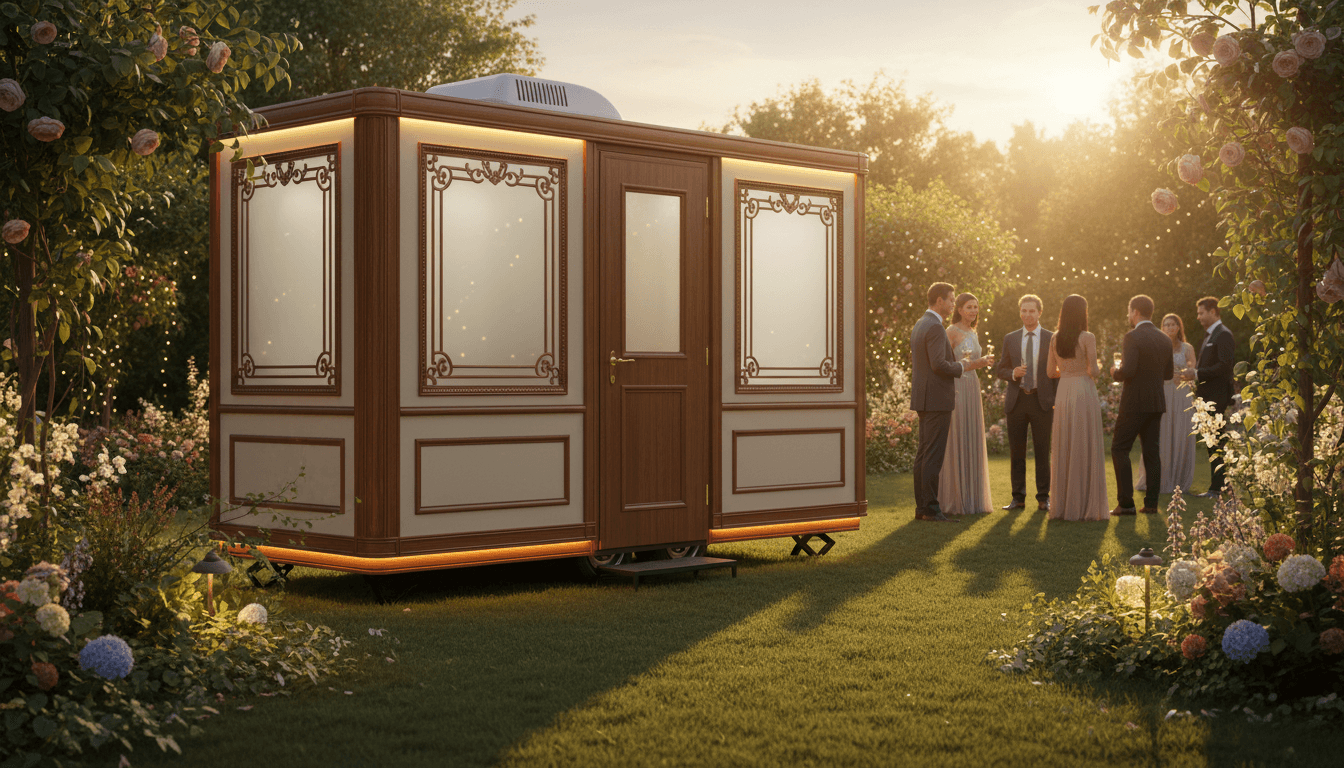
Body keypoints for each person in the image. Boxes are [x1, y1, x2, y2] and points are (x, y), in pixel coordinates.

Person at [911, 283, 993, 523]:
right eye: (950, 300)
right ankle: (931, 509)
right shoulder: (936, 327)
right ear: (939, 301)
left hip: (924, 397)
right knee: (932, 457)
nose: (951, 304)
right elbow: (938, 364)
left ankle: (922, 508)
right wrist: (965, 366)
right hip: (937, 398)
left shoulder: (920, 324)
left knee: (924, 455)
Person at [1045, 295, 1109, 521]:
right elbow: (1095, 371)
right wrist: (1091, 366)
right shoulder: (1087, 337)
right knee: (1084, 441)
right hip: (1083, 389)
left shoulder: (1054, 338)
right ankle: (1084, 503)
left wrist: (1067, 371)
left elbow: (1051, 372)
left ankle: (1063, 505)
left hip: (1064, 391)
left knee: (1065, 443)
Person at [1109, 295, 1174, 516]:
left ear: (1135, 312)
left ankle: (1126, 504)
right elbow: (1169, 374)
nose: (1129, 316)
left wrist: (1114, 373)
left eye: (1129, 311)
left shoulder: (1132, 336)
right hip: (1156, 402)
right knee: (1151, 453)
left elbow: (1128, 371)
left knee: (1119, 448)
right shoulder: (1165, 339)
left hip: (1134, 402)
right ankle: (1152, 504)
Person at [994, 295, 1056, 512]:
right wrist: (1013, 373)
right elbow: (1000, 368)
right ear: (1020, 312)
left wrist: (1055, 399)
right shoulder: (1010, 338)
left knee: (1042, 451)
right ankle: (1017, 498)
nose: (1027, 314)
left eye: (1032, 311)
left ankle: (1043, 498)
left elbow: (1057, 372)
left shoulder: (1051, 338)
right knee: (1016, 453)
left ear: (1040, 312)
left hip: (1042, 401)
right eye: (1024, 310)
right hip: (1017, 401)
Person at [938, 293, 995, 514]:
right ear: (959, 310)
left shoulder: (973, 331)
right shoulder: (951, 332)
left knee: (971, 436)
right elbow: (947, 364)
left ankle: (973, 497)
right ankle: (954, 498)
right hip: (958, 387)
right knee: (958, 435)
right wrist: (973, 364)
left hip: (973, 388)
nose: (973, 311)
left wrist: (980, 364)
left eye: (976, 307)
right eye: (969, 307)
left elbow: (971, 362)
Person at [1137, 313, 1198, 495]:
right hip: (1163, 392)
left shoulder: (1187, 348)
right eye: (1166, 325)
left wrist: (1187, 372)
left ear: (1179, 327)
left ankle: (1178, 479)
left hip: (1182, 395)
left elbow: (1192, 367)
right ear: (1161, 328)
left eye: (1173, 325)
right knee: (1161, 433)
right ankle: (1158, 477)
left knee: (1180, 433)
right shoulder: (1157, 346)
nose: (1169, 328)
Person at [1189, 296, 1235, 498]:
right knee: (1211, 443)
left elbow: (1225, 367)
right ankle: (1217, 487)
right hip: (1206, 397)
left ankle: (1219, 489)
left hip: (1216, 397)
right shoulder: (1210, 335)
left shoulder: (1223, 335)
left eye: (1201, 312)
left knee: (1216, 442)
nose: (1198, 317)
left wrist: (1197, 374)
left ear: (1214, 311)